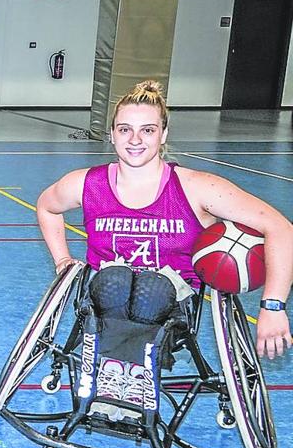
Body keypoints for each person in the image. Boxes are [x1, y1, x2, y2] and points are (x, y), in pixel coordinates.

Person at [36, 80, 292, 360]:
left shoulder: (198, 187)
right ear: (112, 134)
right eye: (125, 130)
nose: (135, 140)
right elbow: (47, 207)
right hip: (105, 292)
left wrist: (273, 306)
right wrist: (62, 259)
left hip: (171, 299)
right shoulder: (85, 183)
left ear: (163, 134)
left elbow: (279, 227)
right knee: (115, 281)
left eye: (148, 130)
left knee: (152, 287)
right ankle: (123, 375)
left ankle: (124, 374)